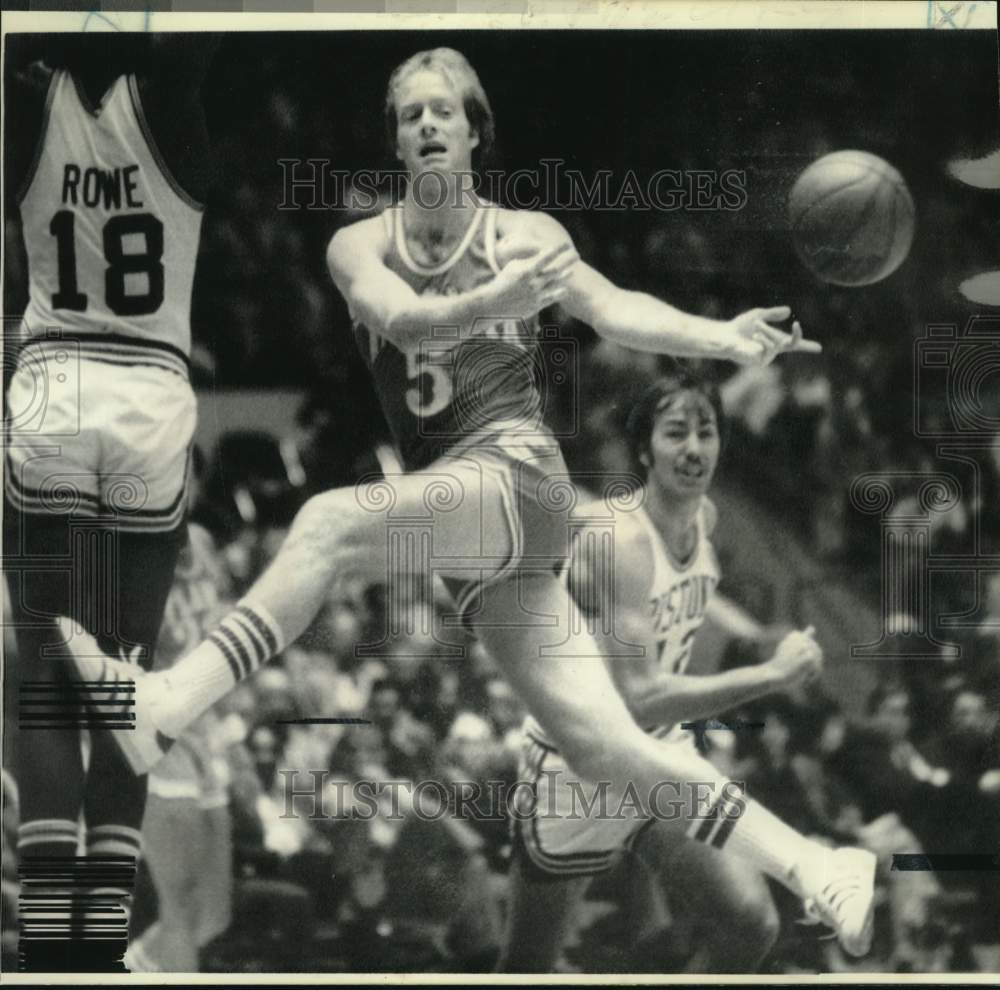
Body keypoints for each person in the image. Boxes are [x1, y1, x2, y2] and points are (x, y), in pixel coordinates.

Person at [66, 47, 873, 956]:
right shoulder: (359, 242)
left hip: (517, 474)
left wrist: (723, 337)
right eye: (410, 115)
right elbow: (403, 319)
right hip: (470, 532)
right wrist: (492, 299)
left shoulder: (527, 232)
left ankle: (167, 704)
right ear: (398, 141)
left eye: (442, 110)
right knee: (609, 749)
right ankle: (819, 867)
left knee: (328, 523)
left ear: (475, 130)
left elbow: (617, 310)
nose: (426, 125)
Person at [499, 370, 837, 972]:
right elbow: (642, 698)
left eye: (705, 432)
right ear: (642, 450)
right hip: (579, 764)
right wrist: (770, 676)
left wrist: (755, 638)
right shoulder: (616, 540)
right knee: (528, 965)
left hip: (655, 758)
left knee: (748, 923)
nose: (693, 448)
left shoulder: (702, 518)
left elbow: (677, 626)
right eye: (675, 433)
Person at [3, 34, 217, 970]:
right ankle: (97, 945)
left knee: (50, 681)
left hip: (54, 383)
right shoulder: (171, 100)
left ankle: (53, 948)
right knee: (125, 681)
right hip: (150, 390)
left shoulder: (24, 98)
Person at [124, 452, 234, 973]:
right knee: (181, 903)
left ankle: (131, 967)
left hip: (206, 730)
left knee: (214, 914)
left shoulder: (206, 546)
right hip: (150, 728)